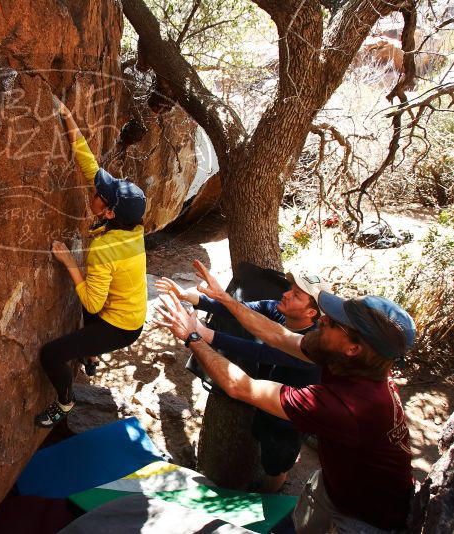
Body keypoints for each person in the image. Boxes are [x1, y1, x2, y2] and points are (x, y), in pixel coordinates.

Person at [155, 259, 415, 533]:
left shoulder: (345, 405)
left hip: (365, 518)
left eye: (336, 323)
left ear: (353, 348)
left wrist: (193, 337)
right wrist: (221, 297)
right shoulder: (347, 360)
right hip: (333, 487)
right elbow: (278, 335)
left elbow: (241, 387)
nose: (324, 319)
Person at [155, 272, 330, 493]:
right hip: (267, 401)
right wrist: (188, 296)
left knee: (276, 464)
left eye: (295, 295)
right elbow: (239, 310)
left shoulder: (310, 346)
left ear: (311, 312)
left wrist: (200, 333)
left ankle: (271, 495)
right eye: (290, 289)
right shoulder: (279, 310)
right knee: (263, 440)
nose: (285, 294)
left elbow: (260, 352)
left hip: (289, 419)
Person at [35, 97, 147, 428]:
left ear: (109, 211)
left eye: (101, 195)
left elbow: (92, 301)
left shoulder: (107, 249)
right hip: (125, 305)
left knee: (51, 355)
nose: (95, 192)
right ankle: (90, 353)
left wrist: (70, 262)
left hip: (122, 326)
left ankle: (64, 403)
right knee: (91, 307)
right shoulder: (131, 224)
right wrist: (67, 117)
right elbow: (90, 167)